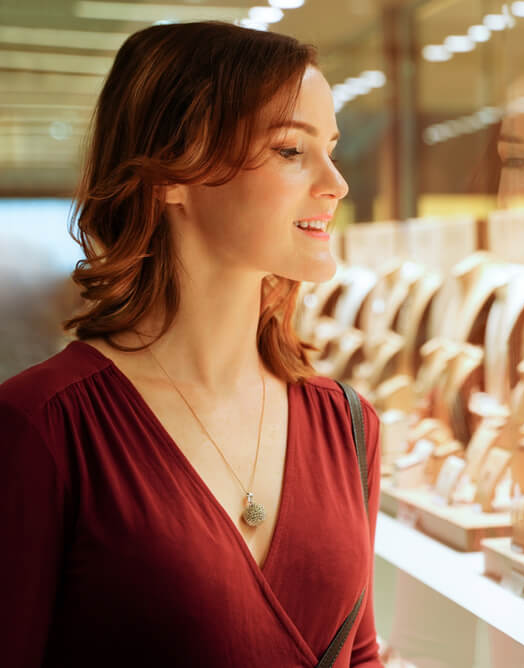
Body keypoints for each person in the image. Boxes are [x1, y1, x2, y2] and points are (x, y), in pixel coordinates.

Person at [0, 22, 381, 667]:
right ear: (170, 175)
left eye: (333, 149)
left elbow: (360, 654)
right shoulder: (44, 427)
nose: (337, 183)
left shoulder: (346, 424)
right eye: (292, 150)